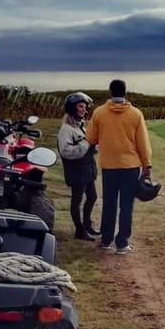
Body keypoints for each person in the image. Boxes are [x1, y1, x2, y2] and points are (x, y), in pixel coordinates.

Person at [86, 80, 152, 254]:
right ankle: (122, 243)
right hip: (130, 166)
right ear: (125, 92)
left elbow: (91, 138)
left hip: (109, 165)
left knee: (109, 203)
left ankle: (106, 240)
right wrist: (147, 164)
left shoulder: (99, 113)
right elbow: (142, 143)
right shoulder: (136, 114)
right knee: (126, 205)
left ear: (110, 92)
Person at [57, 92, 100, 241]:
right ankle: (79, 230)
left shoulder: (79, 126)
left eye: (85, 107)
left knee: (92, 196)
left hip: (86, 169)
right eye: (81, 106)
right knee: (77, 200)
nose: (84, 110)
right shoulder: (66, 129)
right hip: (76, 171)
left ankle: (87, 225)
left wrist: (92, 146)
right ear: (72, 108)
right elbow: (67, 151)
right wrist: (86, 144)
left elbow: (86, 146)